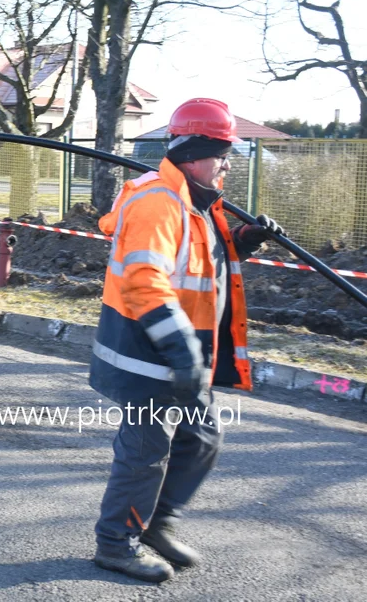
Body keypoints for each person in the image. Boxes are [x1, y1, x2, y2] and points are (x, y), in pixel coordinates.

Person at [90, 98, 284, 582]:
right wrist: (179, 347)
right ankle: (116, 543)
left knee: (201, 439)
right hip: (149, 356)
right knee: (144, 454)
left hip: (182, 356)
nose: (226, 164)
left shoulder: (196, 202)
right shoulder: (159, 202)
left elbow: (199, 259)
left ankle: (156, 525)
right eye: (221, 154)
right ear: (196, 150)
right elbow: (145, 277)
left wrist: (243, 240)